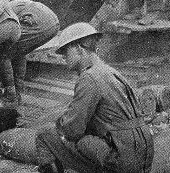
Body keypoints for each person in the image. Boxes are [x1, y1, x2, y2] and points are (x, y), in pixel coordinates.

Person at [36, 22, 154, 173]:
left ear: (79, 48)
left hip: (120, 161)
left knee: (45, 134)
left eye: (65, 51)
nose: (63, 57)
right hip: (142, 158)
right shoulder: (112, 72)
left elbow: (72, 130)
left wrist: (61, 122)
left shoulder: (89, 78)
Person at [7, 0, 60, 103]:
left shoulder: (0, 13)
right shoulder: (9, 6)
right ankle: (16, 93)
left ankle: (11, 94)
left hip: (40, 22)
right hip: (53, 23)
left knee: (5, 54)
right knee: (19, 53)